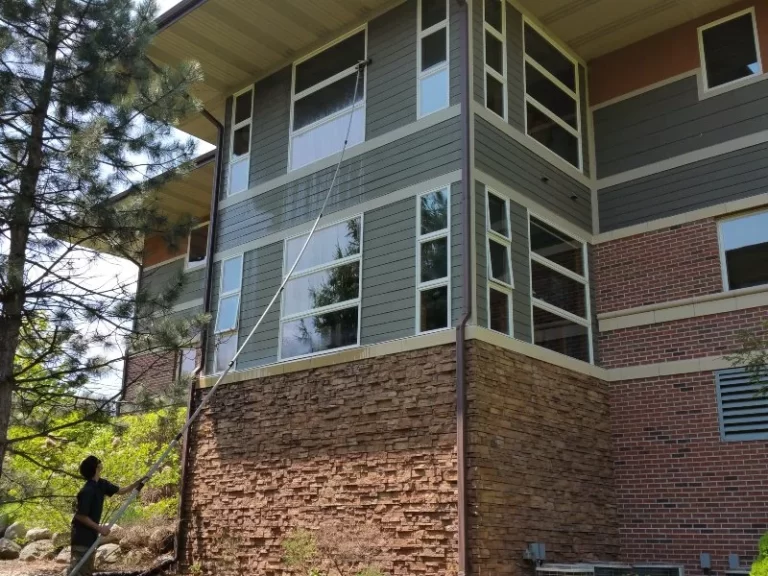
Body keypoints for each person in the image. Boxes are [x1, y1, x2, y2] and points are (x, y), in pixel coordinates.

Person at [69, 456, 146, 576]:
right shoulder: (87, 490)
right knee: (78, 571)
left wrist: (138, 483)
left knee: (87, 571)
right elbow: (80, 516)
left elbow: (121, 491)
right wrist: (100, 528)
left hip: (91, 537)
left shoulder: (102, 484)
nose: (101, 462)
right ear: (96, 467)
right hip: (81, 537)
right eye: (99, 461)